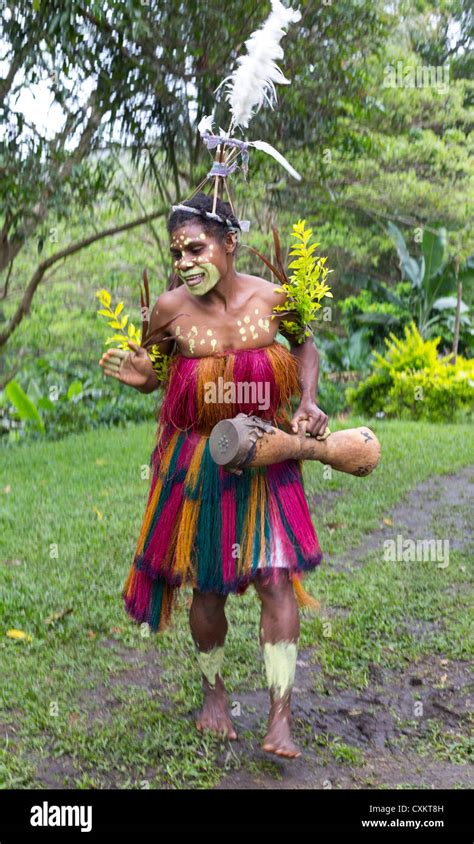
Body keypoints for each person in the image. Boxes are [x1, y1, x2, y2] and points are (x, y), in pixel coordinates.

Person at [99, 191, 328, 758]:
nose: (184, 263)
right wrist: (143, 378)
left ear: (229, 243)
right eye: (176, 253)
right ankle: (214, 694)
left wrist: (309, 402)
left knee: (275, 579)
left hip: (267, 452)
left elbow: (306, 348)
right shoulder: (169, 311)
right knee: (210, 585)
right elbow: (155, 371)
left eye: (195, 248)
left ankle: (280, 715)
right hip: (200, 461)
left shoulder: (273, 299)